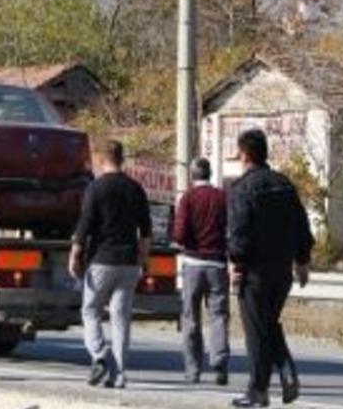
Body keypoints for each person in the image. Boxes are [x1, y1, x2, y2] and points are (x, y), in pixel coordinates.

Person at [228, 129, 313, 408]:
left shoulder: (242, 188)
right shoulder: (284, 184)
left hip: (254, 271)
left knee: (256, 331)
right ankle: (286, 373)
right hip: (282, 272)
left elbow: (239, 232)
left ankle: (258, 391)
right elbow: (302, 225)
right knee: (268, 324)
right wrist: (302, 260)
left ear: (245, 154)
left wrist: (236, 265)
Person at [69, 139, 153, 389]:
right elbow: (146, 230)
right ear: (121, 158)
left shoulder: (95, 189)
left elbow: (84, 227)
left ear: (101, 159)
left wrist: (75, 256)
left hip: (102, 261)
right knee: (121, 318)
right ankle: (121, 374)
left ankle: (99, 356)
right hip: (128, 263)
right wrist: (144, 259)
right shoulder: (136, 189)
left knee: (91, 310)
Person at [173, 158, 230, 386]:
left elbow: (178, 235)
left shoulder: (187, 198)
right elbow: (230, 226)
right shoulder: (221, 197)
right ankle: (219, 364)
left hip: (193, 264)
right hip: (217, 264)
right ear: (210, 173)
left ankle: (193, 370)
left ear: (192, 176)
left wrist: (185, 241)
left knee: (191, 318)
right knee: (218, 316)